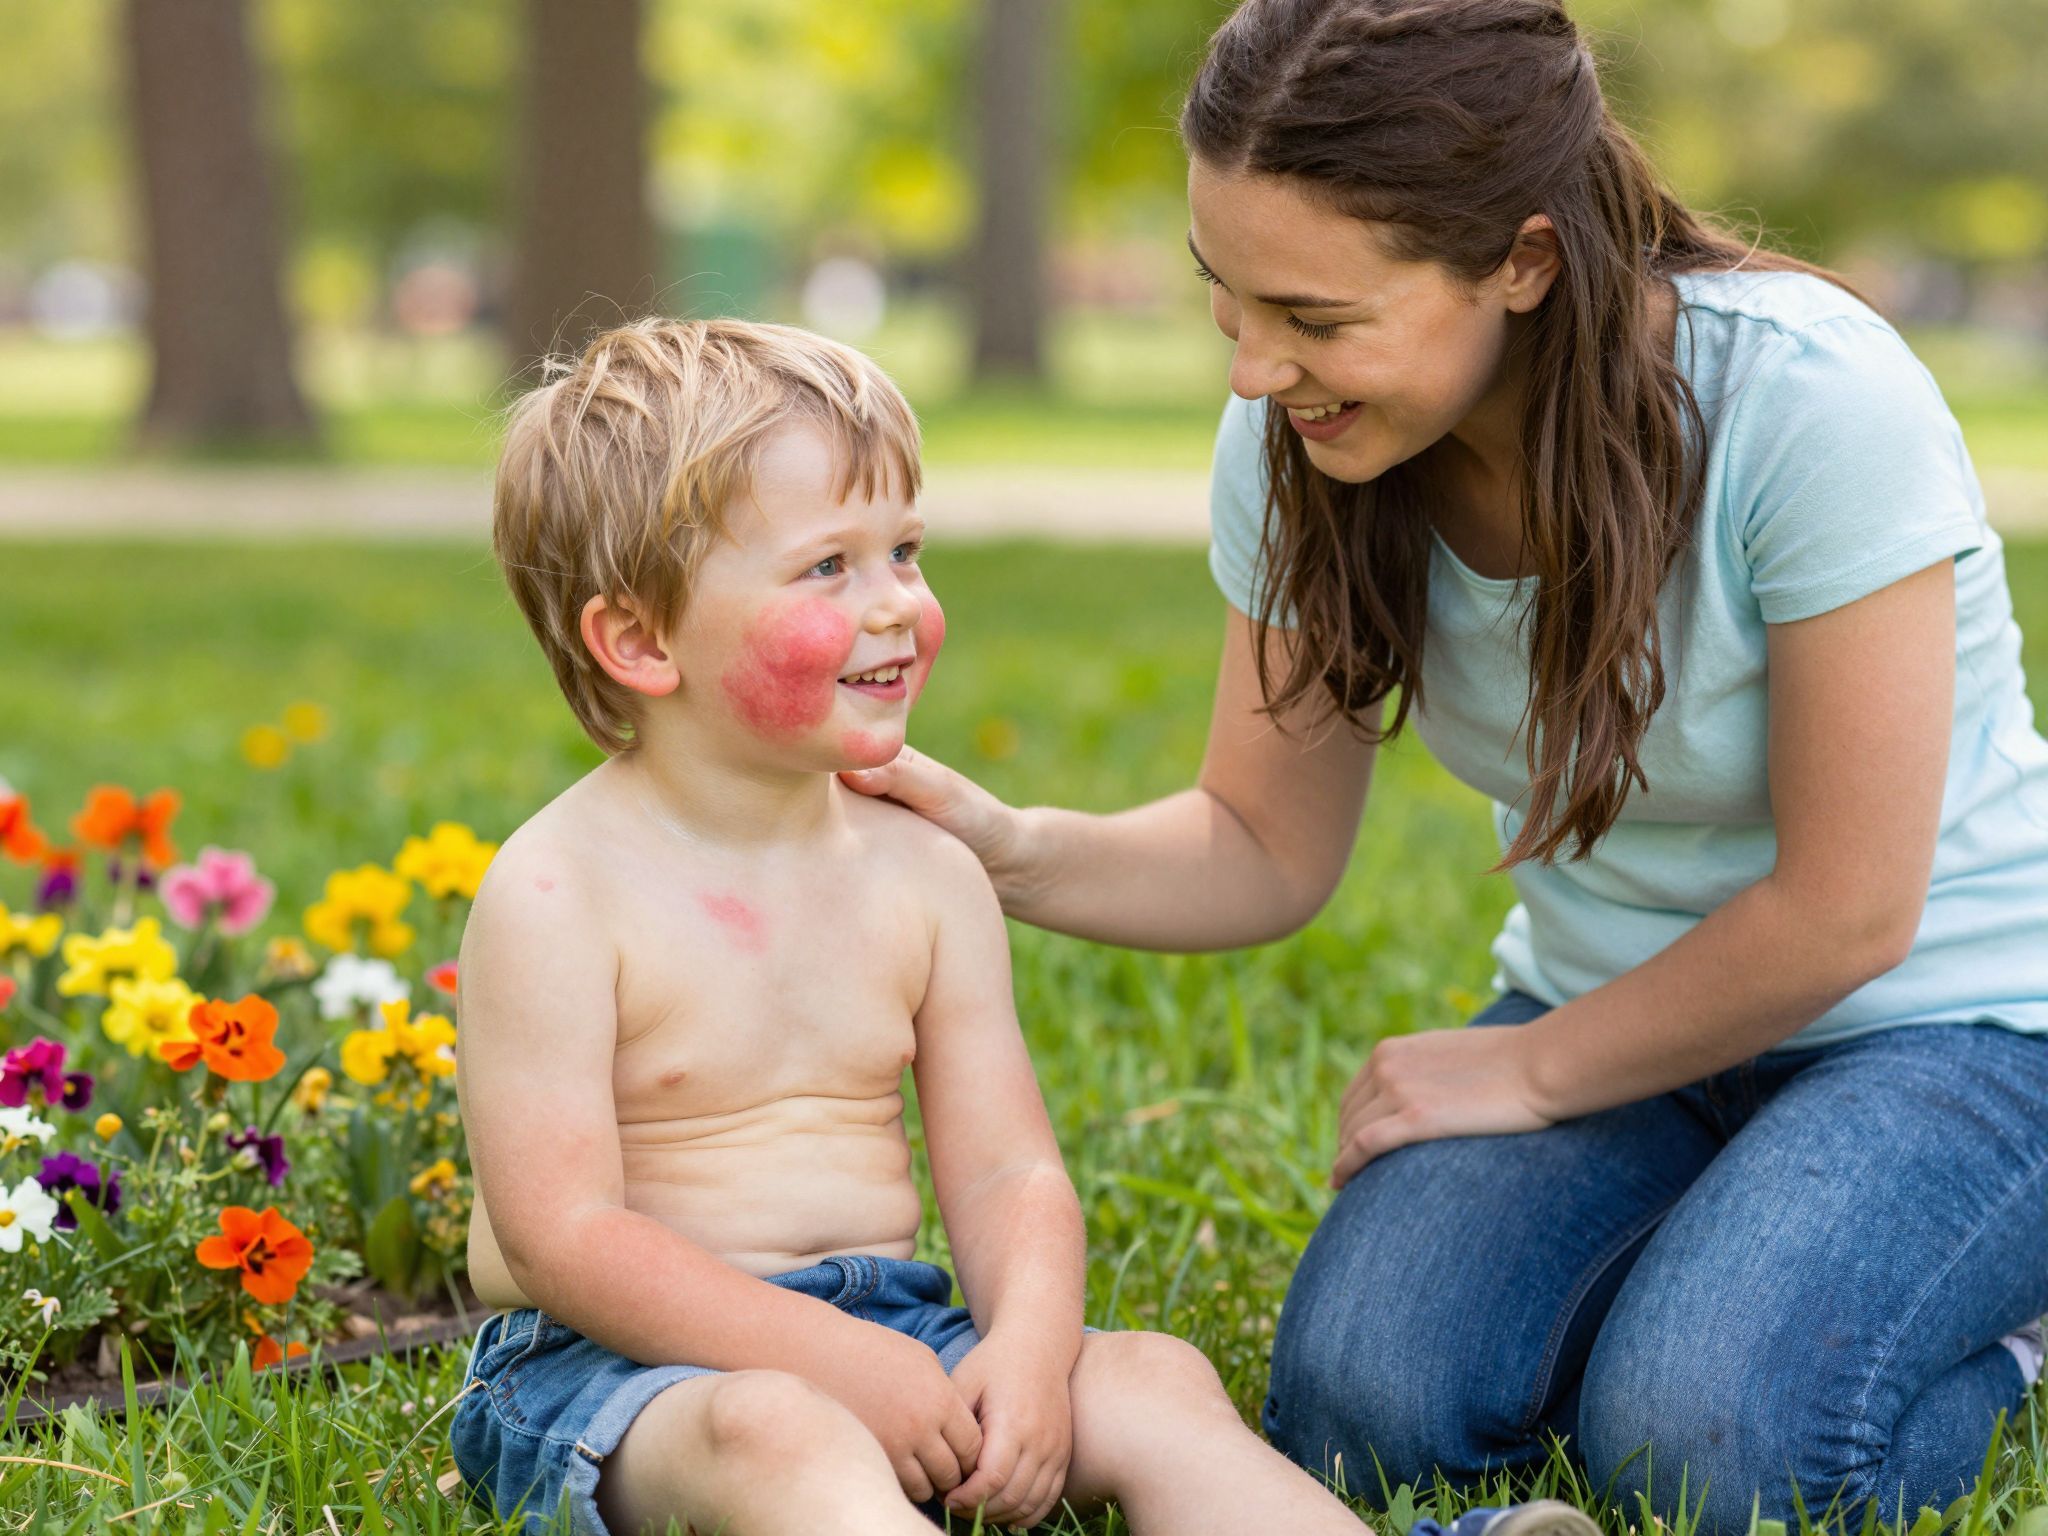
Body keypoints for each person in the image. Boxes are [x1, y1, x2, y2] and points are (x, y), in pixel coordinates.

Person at [839, 1, 2048, 1530]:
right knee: (1365, 1411)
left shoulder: (1807, 400)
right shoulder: (1305, 443)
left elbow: (1847, 913)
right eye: (1228, 303)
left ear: (1524, 262)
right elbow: (1256, 843)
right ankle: (1724, 1268)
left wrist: (1530, 1067)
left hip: (1961, 1026)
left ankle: (1998, 1329)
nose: (1255, 371)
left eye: (1317, 318)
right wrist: (996, 843)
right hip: (1626, 1017)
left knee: (1715, 1451)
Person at [451, 317, 1581, 1536]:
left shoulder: (923, 871)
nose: (896, 604)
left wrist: (1032, 1357)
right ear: (637, 639)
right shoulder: (559, 893)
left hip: (895, 1325)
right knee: (778, 1433)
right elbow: (561, 1238)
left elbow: (1006, 1169)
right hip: (618, 1373)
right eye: (827, 567)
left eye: (905, 550)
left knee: (1153, 1379)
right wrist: (818, 1360)